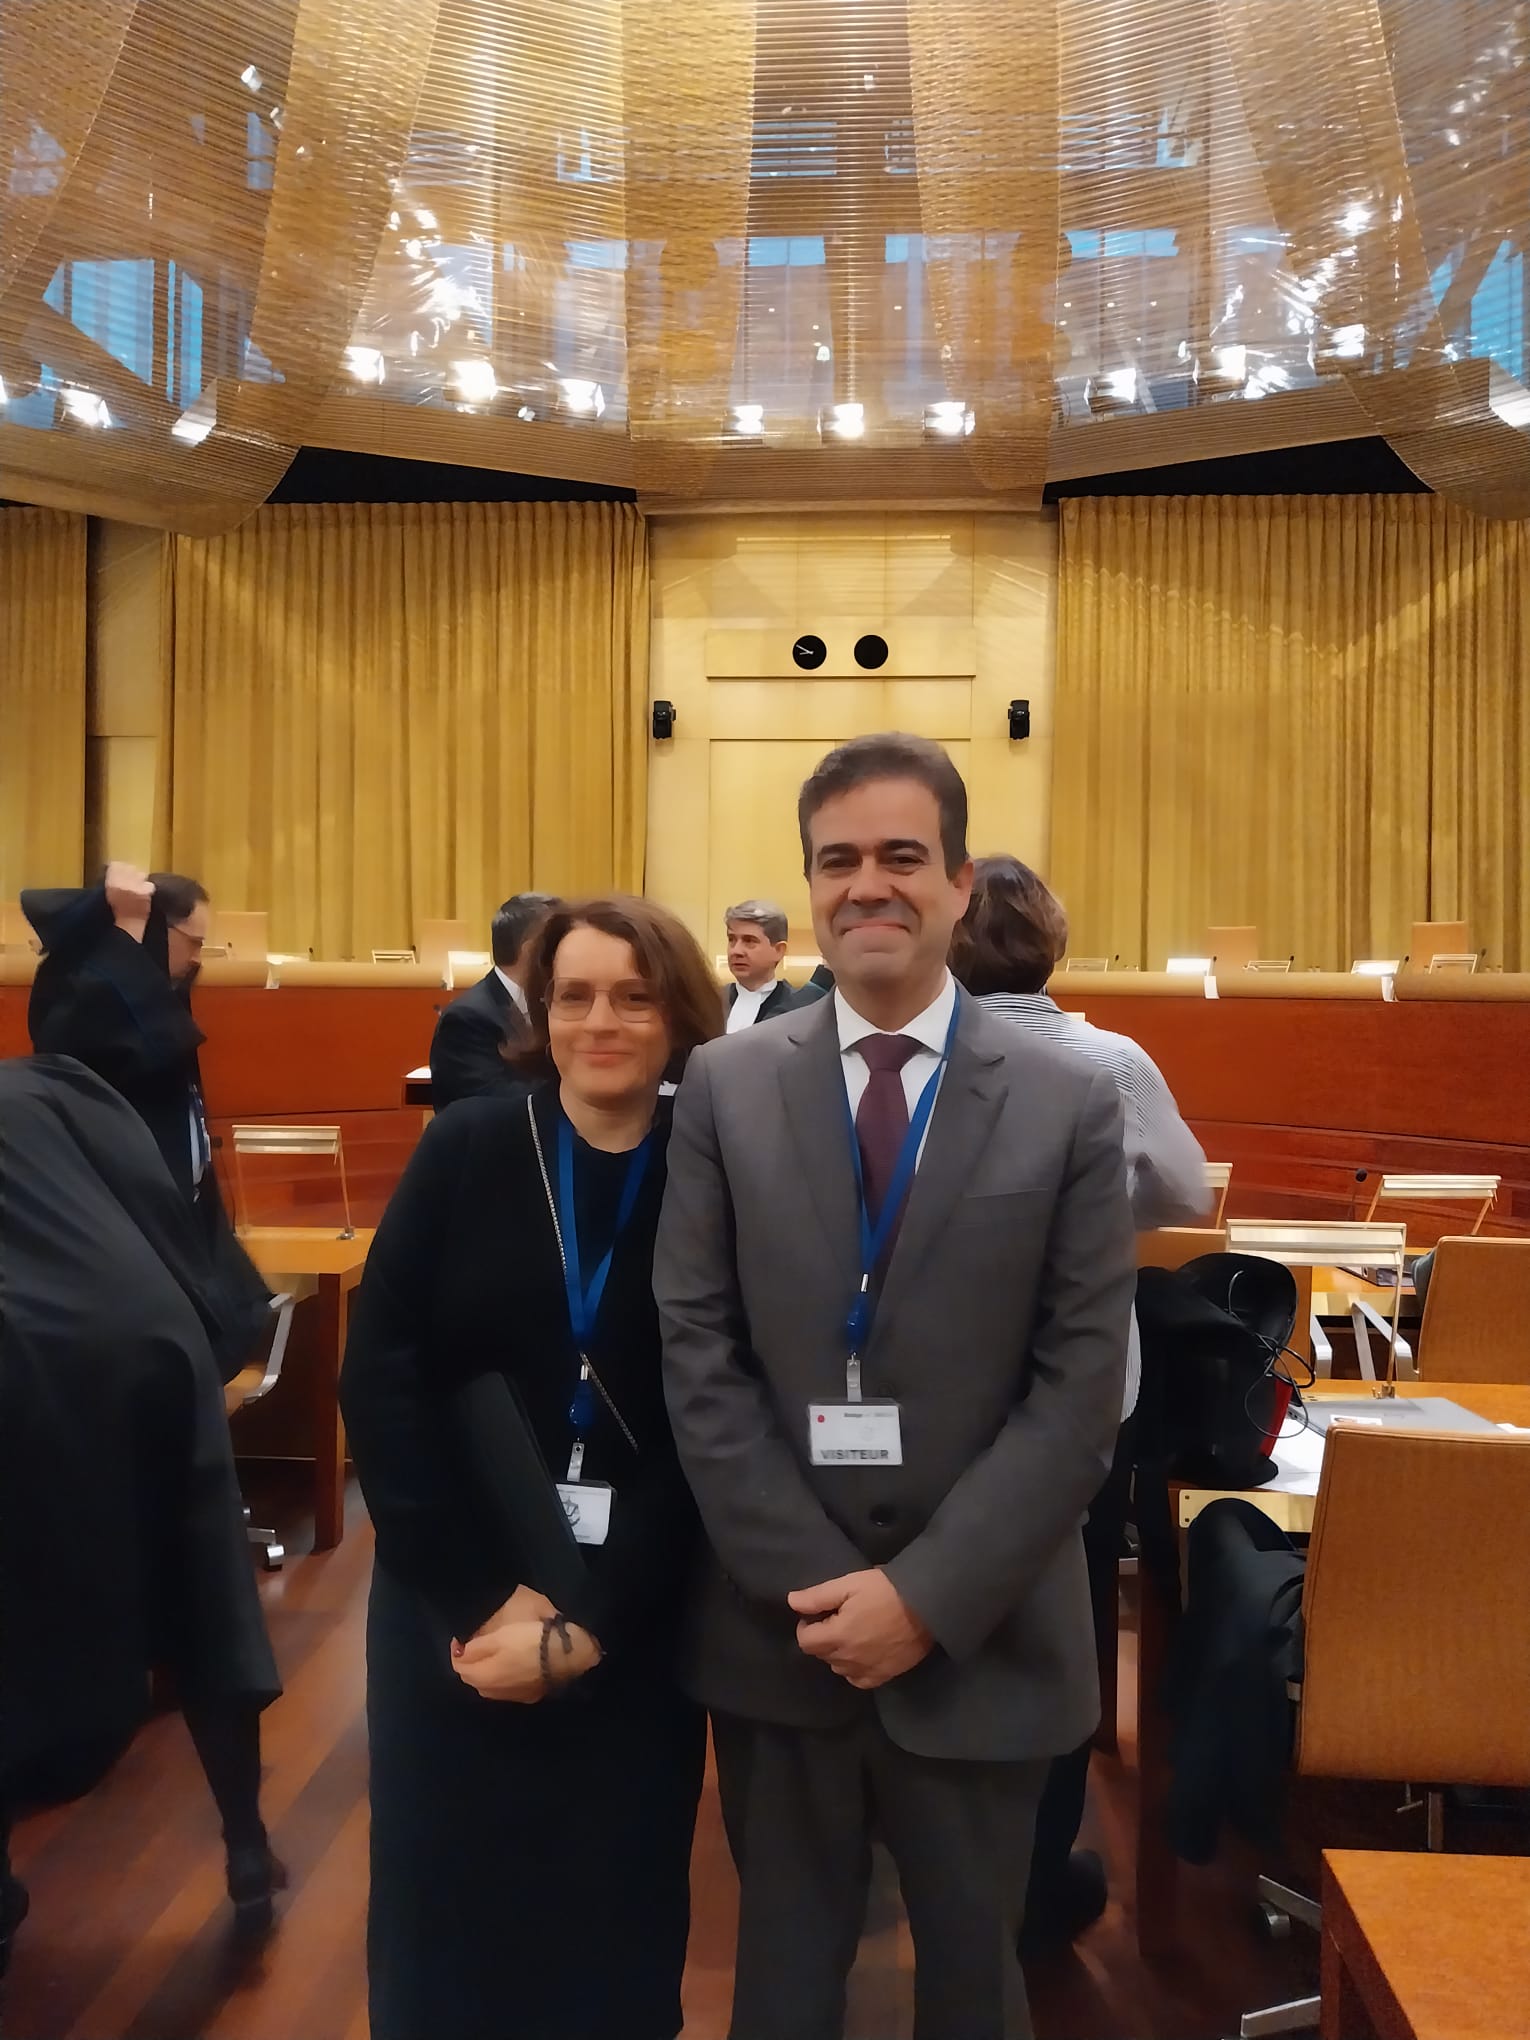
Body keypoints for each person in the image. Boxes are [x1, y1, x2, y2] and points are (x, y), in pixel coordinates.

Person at [655, 732, 1137, 2040]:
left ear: (960, 883)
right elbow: (696, 1350)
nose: (868, 884)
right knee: (781, 1986)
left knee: (977, 1988)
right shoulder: (723, 1086)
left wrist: (923, 1598)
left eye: (902, 856)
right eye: (839, 860)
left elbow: (1079, 1383)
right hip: (780, 1636)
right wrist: (824, 1591)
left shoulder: (1069, 1098)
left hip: (984, 1636)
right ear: (810, 885)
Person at [341, 896, 721, 2040]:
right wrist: (480, 1599)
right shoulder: (467, 1144)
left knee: (612, 1912)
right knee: (445, 1909)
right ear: (539, 1011)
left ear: (678, 1016)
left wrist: (590, 1625)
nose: (600, 1021)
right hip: (453, 1598)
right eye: (574, 995)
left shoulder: (711, 1168)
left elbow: (715, 1420)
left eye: (634, 997)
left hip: (633, 1607)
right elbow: (382, 1378)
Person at [951, 853, 1209, 1949]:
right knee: (1065, 1619)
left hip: (945, 1393)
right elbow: (1186, 1193)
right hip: (1086, 1388)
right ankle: (1038, 1877)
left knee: (945, 1606)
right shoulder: (1111, 1060)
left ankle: (941, 1863)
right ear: (1052, 943)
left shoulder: (915, 1056)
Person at [0, 1056, 284, 1967]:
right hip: (149, 1338)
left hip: (20, 1359)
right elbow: (173, 1206)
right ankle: (247, 1845)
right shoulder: (51, 1086)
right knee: (207, 1595)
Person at [21, 863, 271, 1382]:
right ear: (158, 931)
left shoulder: (151, 983)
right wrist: (130, 929)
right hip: (123, 1222)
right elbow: (123, 1037)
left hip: (178, 1209)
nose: (198, 959)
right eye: (192, 943)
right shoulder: (85, 988)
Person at [428, 891, 557, 1109]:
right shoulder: (466, 1020)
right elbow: (496, 1100)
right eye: (558, 943)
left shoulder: (553, 1003)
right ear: (532, 951)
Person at [724, 899, 796, 1031]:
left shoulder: (797, 1009)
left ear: (779, 950)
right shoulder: (708, 1003)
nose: (736, 951)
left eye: (749, 941)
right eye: (731, 939)